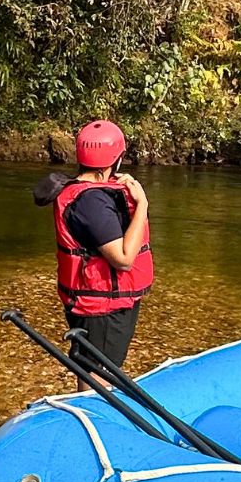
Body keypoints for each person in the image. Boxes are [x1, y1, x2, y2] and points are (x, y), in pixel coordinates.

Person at [46, 120, 153, 375]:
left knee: (95, 369)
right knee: (96, 375)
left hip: (102, 307)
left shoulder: (89, 194)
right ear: (114, 160)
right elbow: (124, 259)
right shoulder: (91, 203)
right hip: (101, 311)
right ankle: (92, 414)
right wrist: (143, 206)